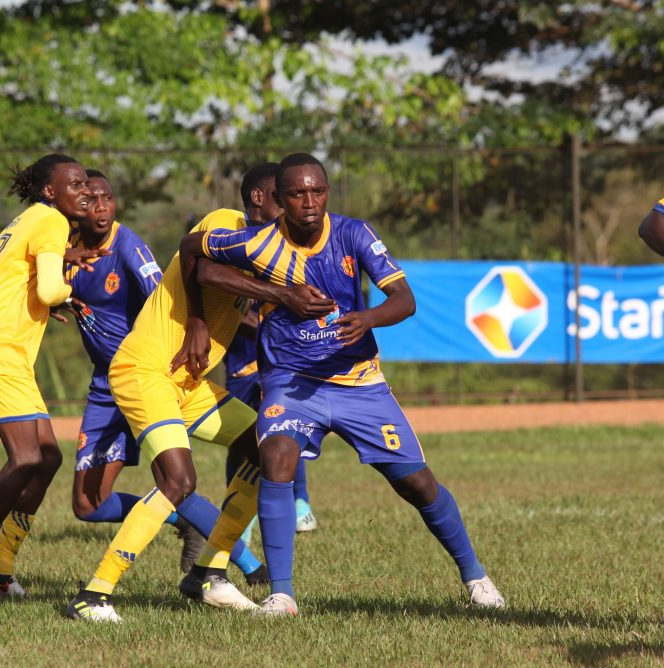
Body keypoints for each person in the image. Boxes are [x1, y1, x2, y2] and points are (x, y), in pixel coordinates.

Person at [181, 153, 505, 616]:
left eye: (317, 191)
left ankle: (476, 577)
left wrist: (367, 319)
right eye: (297, 193)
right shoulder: (256, 243)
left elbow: (405, 299)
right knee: (275, 457)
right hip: (290, 380)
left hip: (358, 381)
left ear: (327, 192)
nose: (309, 202)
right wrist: (208, 316)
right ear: (280, 199)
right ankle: (282, 594)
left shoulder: (354, 233)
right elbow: (194, 254)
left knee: (417, 483)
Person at [66, 189, 332, 622]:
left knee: (268, 449)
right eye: (285, 202)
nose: (293, 213)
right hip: (145, 371)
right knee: (178, 481)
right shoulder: (225, 221)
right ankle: (93, 595)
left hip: (189, 384)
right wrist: (206, 317)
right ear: (260, 199)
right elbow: (204, 269)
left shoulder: (270, 253)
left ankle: (208, 572)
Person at [66, 169, 266, 581]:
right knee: (89, 505)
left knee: (177, 478)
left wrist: (215, 325)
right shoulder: (62, 255)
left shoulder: (129, 249)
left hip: (157, 372)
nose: (100, 208)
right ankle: (187, 530)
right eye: (90, 201)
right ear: (74, 209)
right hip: (112, 385)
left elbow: (171, 292)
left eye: (107, 198)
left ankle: (241, 565)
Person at [0, 154, 99, 602]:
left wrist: (56, 287)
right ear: (50, 192)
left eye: (87, 182)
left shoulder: (35, 218)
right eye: (75, 184)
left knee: (48, 458)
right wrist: (68, 295)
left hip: (5, 351)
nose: (85, 190)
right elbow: (48, 288)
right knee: (27, 458)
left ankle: (0, 566)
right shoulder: (49, 221)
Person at [222, 163, 317, 537]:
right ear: (260, 198)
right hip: (243, 364)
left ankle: (300, 502)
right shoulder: (237, 242)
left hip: (282, 362)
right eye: (284, 197)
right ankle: (238, 518)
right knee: (243, 438)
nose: (292, 205)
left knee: (288, 426)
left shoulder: (291, 242)